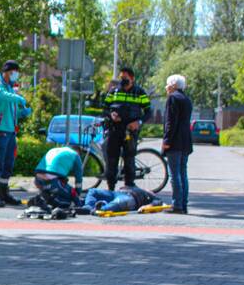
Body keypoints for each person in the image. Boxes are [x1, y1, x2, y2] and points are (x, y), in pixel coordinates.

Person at [0, 59, 31, 207]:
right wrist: (18, 98)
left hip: (10, 131)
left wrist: (21, 113)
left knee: (8, 164)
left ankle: (3, 194)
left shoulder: (10, 88)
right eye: (14, 72)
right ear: (6, 72)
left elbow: (9, 112)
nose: (16, 75)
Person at [103, 66, 152, 190]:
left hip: (130, 131)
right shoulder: (113, 91)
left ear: (132, 78)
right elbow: (104, 108)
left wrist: (138, 122)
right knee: (111, 159)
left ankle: (129, 186)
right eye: (121, 78)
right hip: (114, 130)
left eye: (125, 78)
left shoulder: (139, 92)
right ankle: (110, 187)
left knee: (129, 158)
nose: (122, 80)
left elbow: (148, 112)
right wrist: (111, 115)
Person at [161, 74, 193, 215]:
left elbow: (170, 122)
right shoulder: (186, 99)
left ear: (173, 85)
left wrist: (166, 140)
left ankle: (177, 204)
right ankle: (183, 204)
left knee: (174, 175)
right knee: (183, 173)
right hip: (185, 141)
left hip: (175, 141)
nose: (166, 87)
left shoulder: (172, 98)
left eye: (168, 84)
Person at [82, 185, 162, 214]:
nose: (149, 190)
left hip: (131, 198)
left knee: (117, 203)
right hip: (116, 193)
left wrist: (148, 206)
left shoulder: (150, 196)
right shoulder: (136, 188)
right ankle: (88, 207)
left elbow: (159, 202)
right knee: (93, 191)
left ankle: (100, 209)